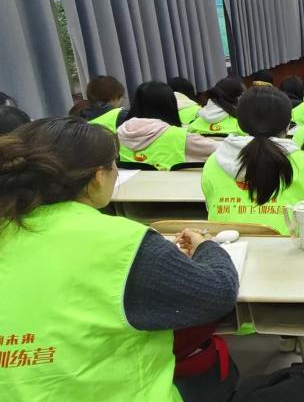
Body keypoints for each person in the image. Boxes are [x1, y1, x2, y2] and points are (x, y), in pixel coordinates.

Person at [0, 117, 239, 400]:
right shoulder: (122, 242)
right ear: (98, 177)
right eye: (114, 164)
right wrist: (207, 247)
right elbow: (219, 291)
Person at [202, 87, 304, 235]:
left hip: (225, 246)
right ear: (287, 125)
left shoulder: (214, 162)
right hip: (291, 247)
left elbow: (211, 205)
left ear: (240, 123)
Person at [118, 82, 219, 171]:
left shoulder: (118, 135)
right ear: (169, 105)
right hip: (175, 187)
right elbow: (223, 150)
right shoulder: (180, 137)